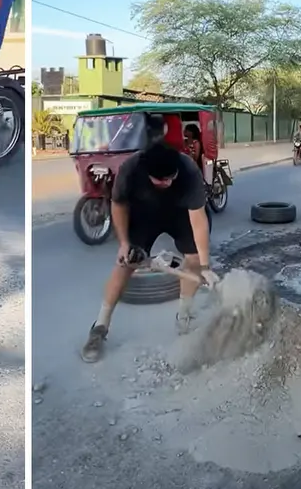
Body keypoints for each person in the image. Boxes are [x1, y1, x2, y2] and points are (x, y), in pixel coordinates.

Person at [80, 142, 219, 363]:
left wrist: (205, 266)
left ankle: (184, 316)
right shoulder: (131, 169)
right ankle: (99, 327)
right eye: (159, 180)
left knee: (192, 261)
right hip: (143, 215)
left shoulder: (188, 170)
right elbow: (118, 206)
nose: (166, 183)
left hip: (180, 215)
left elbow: (198, 220)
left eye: (170, 178)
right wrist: (124, 243)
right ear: (147, 173)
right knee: (125, 265)